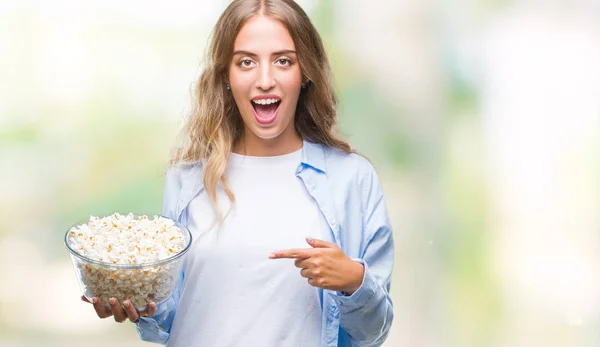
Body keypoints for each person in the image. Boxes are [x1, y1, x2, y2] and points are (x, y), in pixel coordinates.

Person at [82, 0, 394, 346]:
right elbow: (167, 318)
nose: (265, 80)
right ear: (226, 76)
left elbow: (371, 333)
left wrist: (354, 280)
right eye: (246, 62)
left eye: (283, 61)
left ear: (305, 73)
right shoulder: (187, 180)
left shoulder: (351, 179)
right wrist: (138, 304)